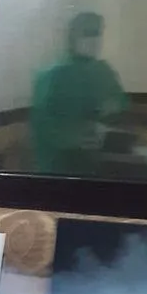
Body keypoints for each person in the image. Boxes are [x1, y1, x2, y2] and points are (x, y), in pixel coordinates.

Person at [29, 11, 129, 176]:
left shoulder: (103, 70)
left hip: (97, 160)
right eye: (87, 33)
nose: (94, 40)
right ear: (73, 36)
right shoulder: (52, 75)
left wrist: (112, 107)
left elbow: (121, 104)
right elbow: (42, 126)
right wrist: (75, 138)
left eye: (97, 33)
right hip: (59, 164)